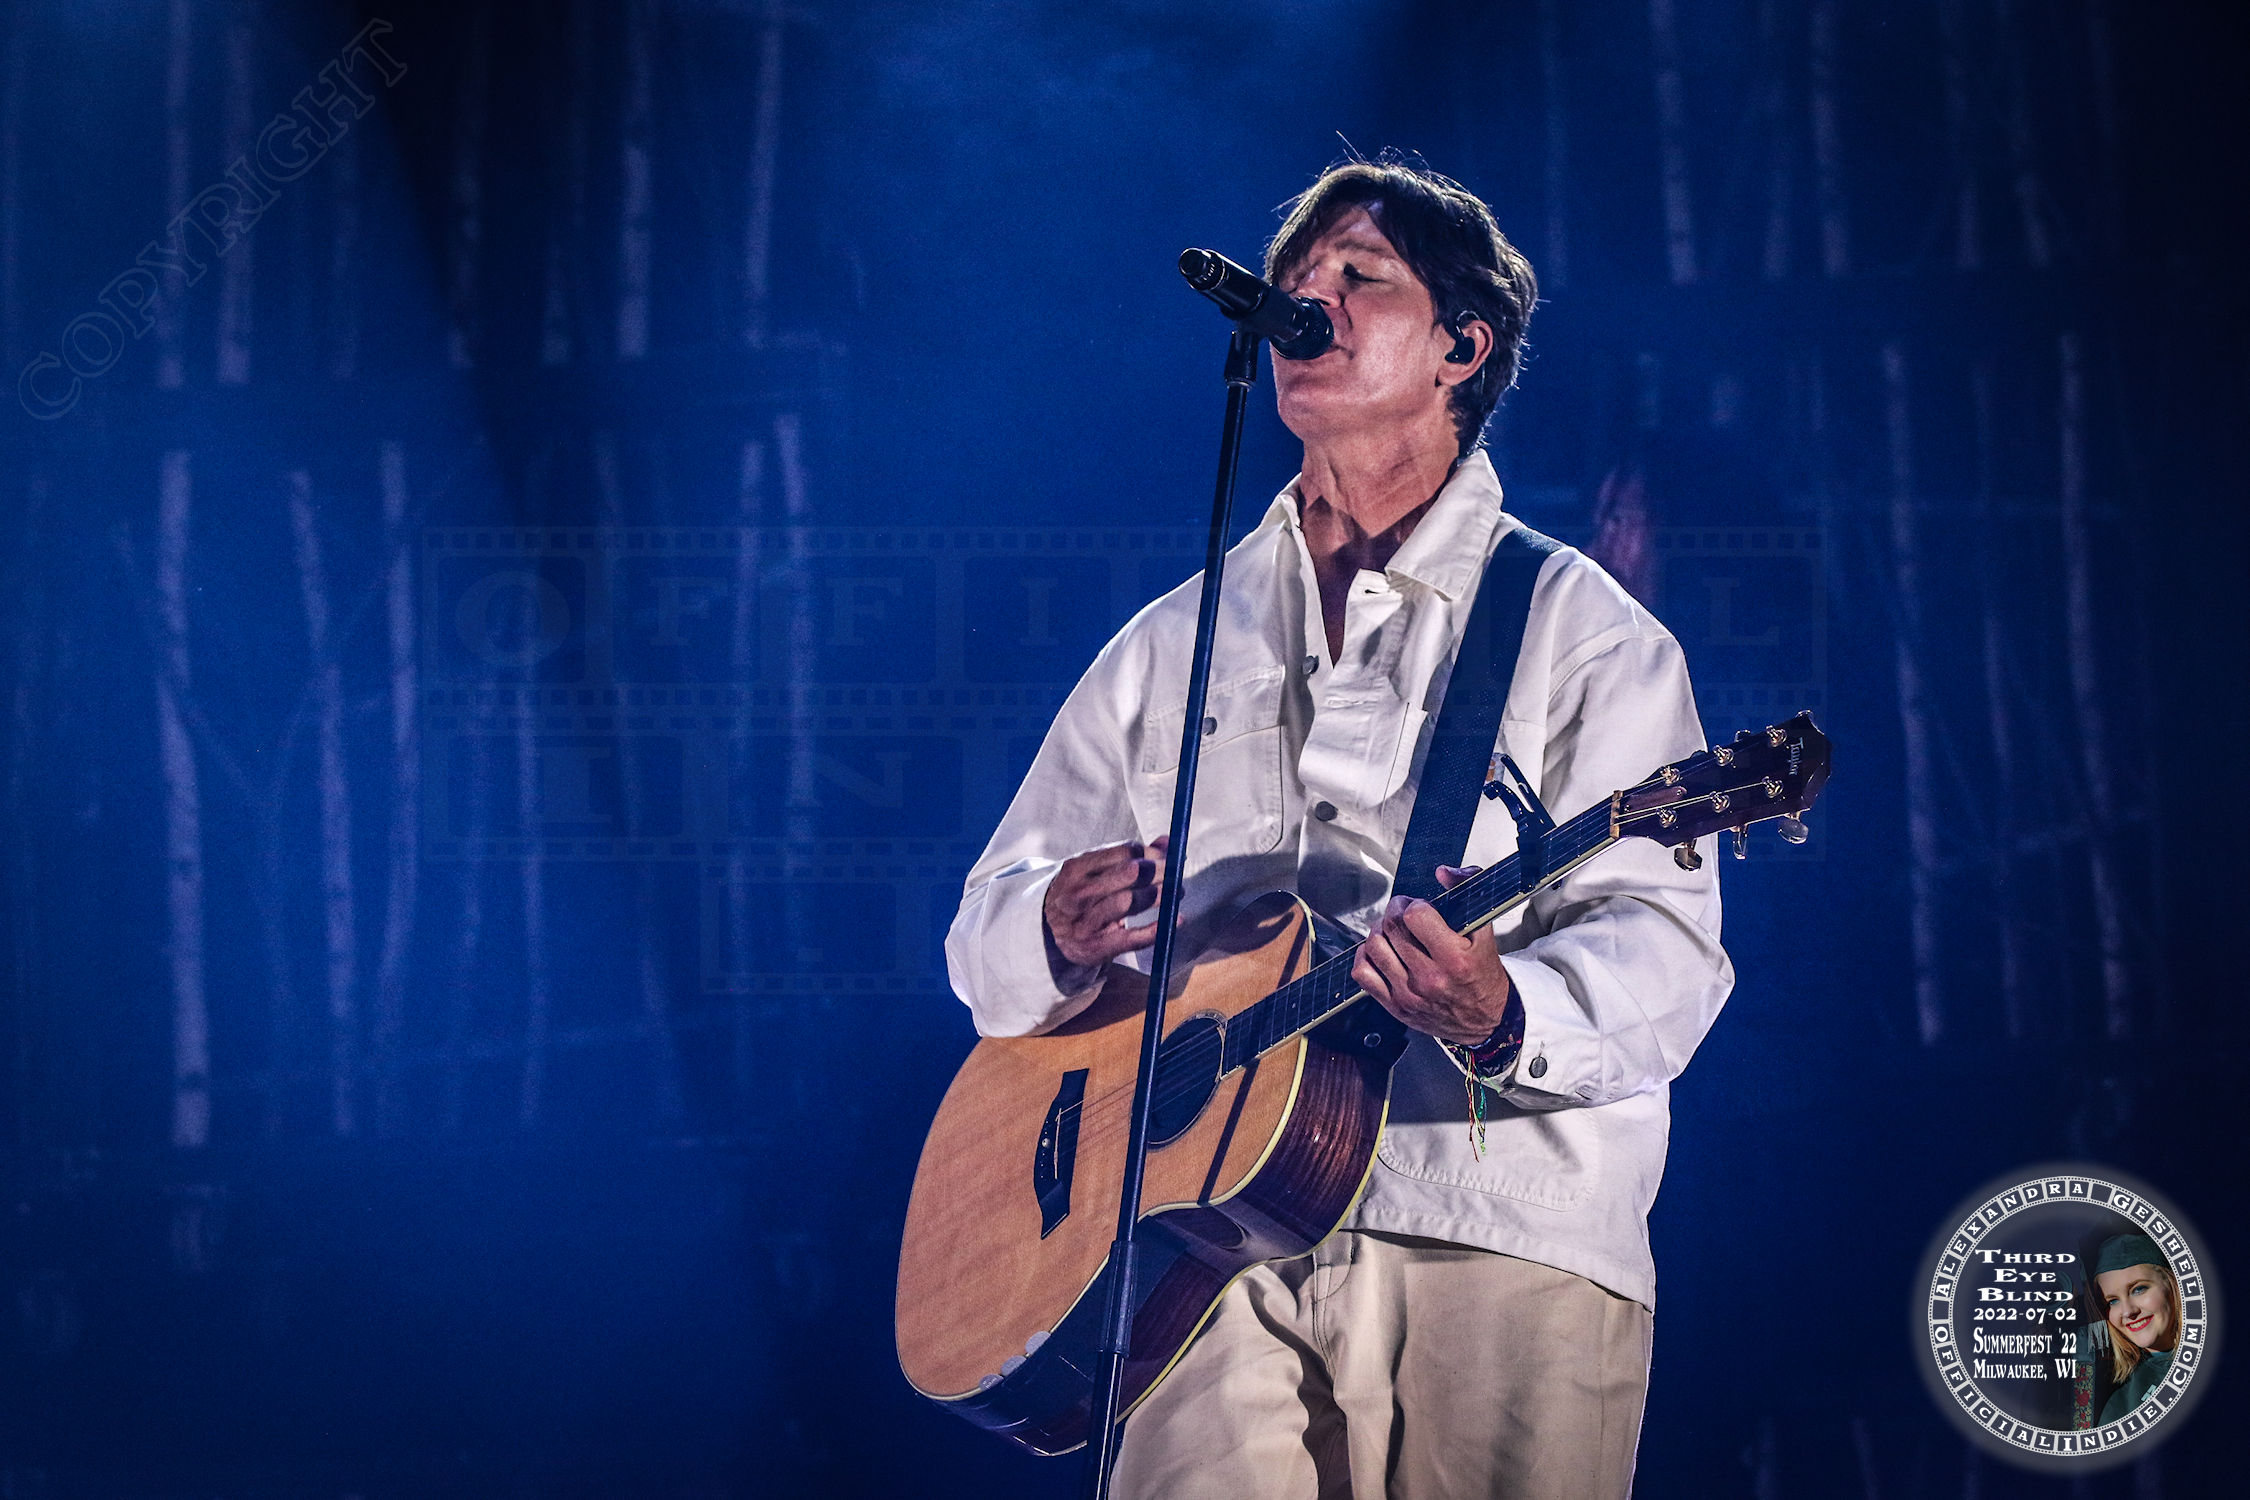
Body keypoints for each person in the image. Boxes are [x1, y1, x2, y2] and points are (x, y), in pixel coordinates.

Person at [944, 157, 1732, 1500]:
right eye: (1297, 282)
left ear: (1460, 349)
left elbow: (1665, 943)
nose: (1307, 303)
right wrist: (1049, 924)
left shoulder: (1585, 635)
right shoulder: (1172, 643)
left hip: (1492, 1229)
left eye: (1358, 278)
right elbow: (985, 934)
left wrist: (1504, 1010)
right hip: (1193, 1250)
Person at [2091, 1233, 2182, 1425]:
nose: (2128, 1312)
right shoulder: (2121, 1410)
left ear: (2172, 1283)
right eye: (2113, 1301)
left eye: (2139, 1289)